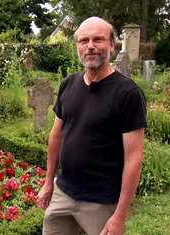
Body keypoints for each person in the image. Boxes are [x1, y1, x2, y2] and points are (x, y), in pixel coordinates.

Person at [36, 16, 147, 235]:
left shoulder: (128, 94)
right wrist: (48, 182)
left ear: (112, 45)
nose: (90, 46)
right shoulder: (69, 83)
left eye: (98, 39)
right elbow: (56, 136)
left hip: (101, 202)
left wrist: (119, 217)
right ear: (77, 45)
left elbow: (134, 158)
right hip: (63, 193)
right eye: (84, 40)